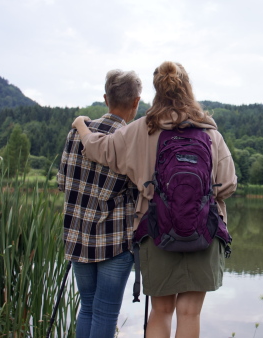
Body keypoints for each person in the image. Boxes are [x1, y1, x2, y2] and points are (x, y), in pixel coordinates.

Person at [71, 61, 237, 338]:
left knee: (161, 312)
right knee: (190, 313)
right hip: (204, 232)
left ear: (156, 91)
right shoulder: (211, 134)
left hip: (156, 230)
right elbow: (229, 184)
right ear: (188, 88)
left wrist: (81, 126)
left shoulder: (142, 130)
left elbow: (98, 149)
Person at [57, 69, 142, 338]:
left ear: (106, 98)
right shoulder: (131, 140)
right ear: (136, 103)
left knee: (88, 308)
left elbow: (63, 182)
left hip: (78, 237)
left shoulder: (76, 133)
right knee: (105, 313)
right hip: (115, 242)